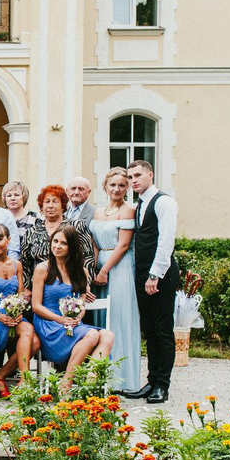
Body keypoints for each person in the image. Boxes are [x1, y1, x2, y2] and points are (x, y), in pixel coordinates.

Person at [123, 160, 180, 404]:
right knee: (149, 330)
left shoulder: (164, 202)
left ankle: (162, 385)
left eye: (137, 175)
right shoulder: (139, 204)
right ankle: (151, 380)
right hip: (142, 275)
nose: (133, 180)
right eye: (130, 177)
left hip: (160, 276)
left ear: (150, 175)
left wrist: (155, 275)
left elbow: (166, 241)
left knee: (162, 330)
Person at [32, 225, 114, 389]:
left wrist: (77, 317)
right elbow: (36, 306)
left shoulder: (81, 272)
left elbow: (81, 305)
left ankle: (90, 385)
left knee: (108, 335)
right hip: (49, 324)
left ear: (72, 247)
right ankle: (66, 384)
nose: (57, 246)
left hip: (72, 324)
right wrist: (61, 320)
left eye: (63, 243)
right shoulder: (43, 269)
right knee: (92, 335)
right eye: (55, 241)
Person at [89, 167, 142, 393]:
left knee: (119, 317)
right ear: (105, 186)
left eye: (122, 185)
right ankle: (100, 376)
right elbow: (95, 243)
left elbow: (123, 245)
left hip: (120, 268)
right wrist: (93, 269)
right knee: (101, 319)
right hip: (100, 265)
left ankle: (122, 379)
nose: (117, 189)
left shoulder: (128, 210)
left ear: (127, 188)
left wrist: (105, 270)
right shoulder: (98, 212)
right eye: (113, 185)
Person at [0, 225, 40, 397]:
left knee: (34, 340)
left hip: (12, 313)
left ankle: (6, 377)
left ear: (9, 240)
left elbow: (20, 294)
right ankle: (21, 380)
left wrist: (18, 310)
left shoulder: (17, 265)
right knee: (29, 335)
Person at [19, 184, 97, 295]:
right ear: (41, 206)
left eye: (55, 202)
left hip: (70, 287)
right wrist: (26, 288)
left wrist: (85, 284)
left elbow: (88, 258)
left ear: (63, 206)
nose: (50, 206)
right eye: (47, 202)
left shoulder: (76, 227)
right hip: (39, 288)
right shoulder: (32, 231)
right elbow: (24, 262)